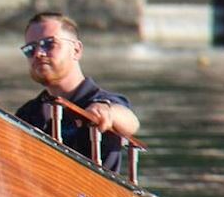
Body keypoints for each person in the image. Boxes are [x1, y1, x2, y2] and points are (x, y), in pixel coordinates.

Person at [14, 11, 139, 173]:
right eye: (30, 49)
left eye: (49, 44)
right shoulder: (28, 114)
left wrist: (107, 113)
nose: (38, 54)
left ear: (76, 50)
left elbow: (131, 122)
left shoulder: (101, 100)